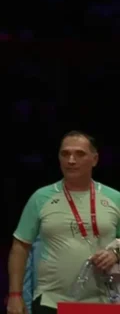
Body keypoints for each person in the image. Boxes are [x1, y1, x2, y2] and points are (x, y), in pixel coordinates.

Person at [7, 131, 120, 314]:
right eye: (65, 154)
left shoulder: (115, 198)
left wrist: (116, 254)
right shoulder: (40, 198)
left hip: (104, 302)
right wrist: (15, 295)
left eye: (80, 154)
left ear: (95, 159)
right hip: (51, 301)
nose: (71, 160)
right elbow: (20, 247)